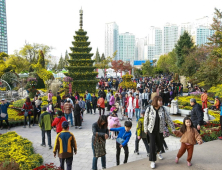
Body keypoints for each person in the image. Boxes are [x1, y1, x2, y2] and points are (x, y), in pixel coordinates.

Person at [144, 96, 175, 169]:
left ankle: (158, 152)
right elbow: (146, 119)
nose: (161, 102)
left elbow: (168, 119)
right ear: (155, 101)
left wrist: (173, 128)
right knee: (152, 146)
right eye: (159, 101)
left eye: (161, 101)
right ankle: (152, 161)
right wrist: (145, 129)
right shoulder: (149, 109)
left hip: (160, 130)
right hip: (151, 130)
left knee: (159, 144)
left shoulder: (163, 109)